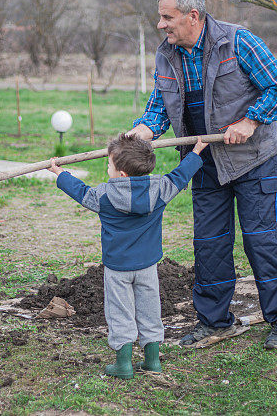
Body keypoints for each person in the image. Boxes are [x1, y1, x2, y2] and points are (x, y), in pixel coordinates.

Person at [127, 0, 277, 350]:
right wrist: (143, 130)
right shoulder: (167, 55)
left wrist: (250, 121)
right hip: (203, 163)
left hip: (253, 161)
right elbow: (159, 106)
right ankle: (216, 321)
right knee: (210, 246)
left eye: (167, 17)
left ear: (193, 16)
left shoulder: (237, 42)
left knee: (263, 242)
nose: (161, 25)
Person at [49, 134, 208, 378]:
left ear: (121, 173)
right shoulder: (160, 190)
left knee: (119, 312)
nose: (107, 167)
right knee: (150, 309)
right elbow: (181, 175)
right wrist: (196, 152)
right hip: (147, 266)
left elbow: (80, 191)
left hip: (117, 268)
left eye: (109, 164)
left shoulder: (103, 196)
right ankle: (152, 361)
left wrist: (60, 173)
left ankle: (123, 365)